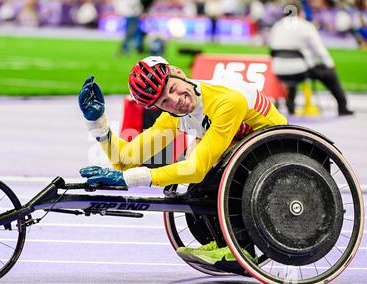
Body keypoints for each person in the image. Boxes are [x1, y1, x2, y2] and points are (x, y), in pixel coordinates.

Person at [77, 56, 287, 266]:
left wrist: (133, 179)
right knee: (197, 159)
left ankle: (241, 248)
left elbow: (196, 169)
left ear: (178, 72)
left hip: (277, 151)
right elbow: (126, 160)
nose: (175, 100)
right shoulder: (174, 115)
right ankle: (224, 242)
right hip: (244, 149)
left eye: (172, 89)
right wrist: (97, 125)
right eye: (164, 102)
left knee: (201, 165)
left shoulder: (226, 100)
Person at [269, 0, 354, 116]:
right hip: (299, 70)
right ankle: (342, 107)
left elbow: (272, 47)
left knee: (293, 72)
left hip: (278, 70)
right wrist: (329, 64)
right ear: (300, 12)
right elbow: (319, 49)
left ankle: (290, 105)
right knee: (329, 74)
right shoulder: (306, 26)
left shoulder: (276, 26)